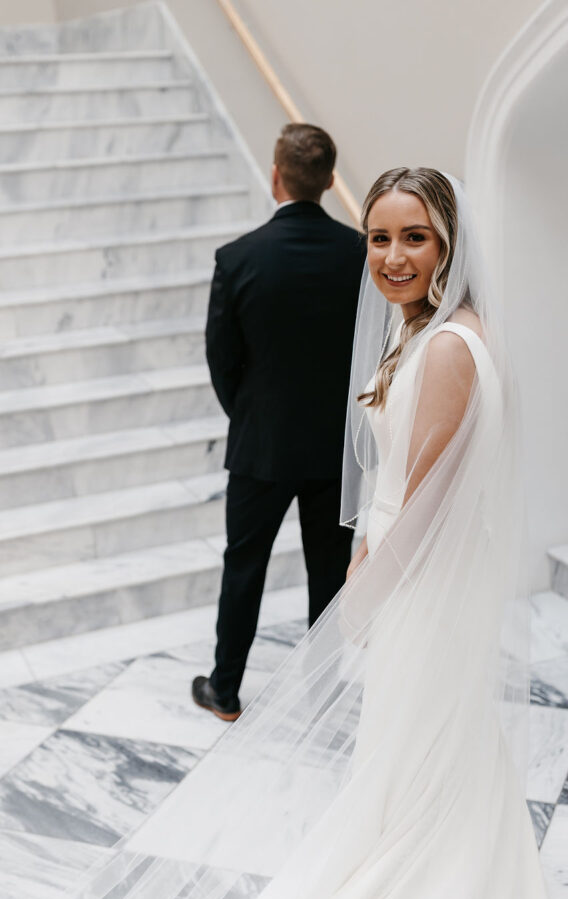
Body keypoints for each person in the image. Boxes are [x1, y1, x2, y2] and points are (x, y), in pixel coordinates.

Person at [0, 170, 568, 899]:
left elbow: (426, 503)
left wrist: (360, 599)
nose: (393, 256)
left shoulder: (448, 348)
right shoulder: (428, 333)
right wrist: (367, 552)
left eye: (414, 237)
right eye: (379, 237)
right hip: (409, 584)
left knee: (419, 769)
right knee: (418, 770)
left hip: (419, 599)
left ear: (447, 242)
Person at [193, 122, 365, 722]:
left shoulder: (237, 258)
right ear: (329, 181)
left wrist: (250, 416)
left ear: (275, 177)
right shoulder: (360, 255)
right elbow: (369, 352)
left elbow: (221, 359)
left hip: (260, 447)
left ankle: (225, 689)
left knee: (244, 567)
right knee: (329, 575)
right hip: (332, 449)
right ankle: (323, 694)